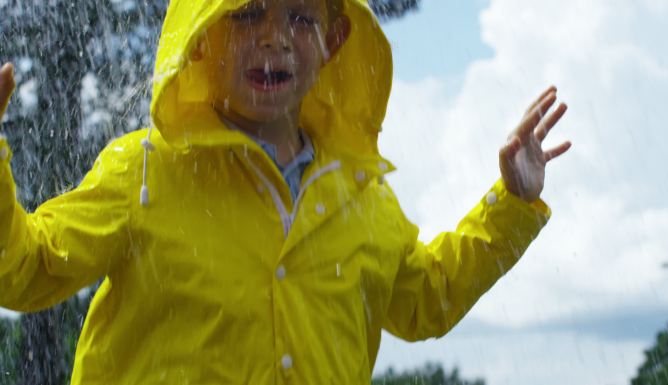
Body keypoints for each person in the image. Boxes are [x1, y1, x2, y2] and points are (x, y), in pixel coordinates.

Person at [0, 0, 571, 383]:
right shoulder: (144, 173)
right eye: (247, 13)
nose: (274, 38)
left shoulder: (363, 197)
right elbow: (25, 270)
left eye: (300, 16)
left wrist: (511, 206)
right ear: (200, 37)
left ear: (335, 38)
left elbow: (426, 301)